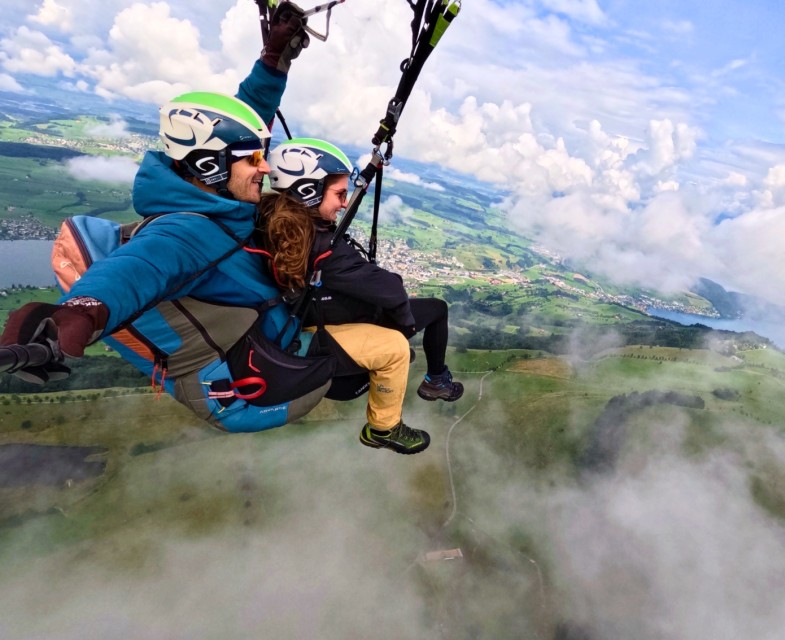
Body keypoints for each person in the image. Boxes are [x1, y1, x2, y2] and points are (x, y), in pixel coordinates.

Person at [0, 5, 426, 452]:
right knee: (392, 346)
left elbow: (246, 124)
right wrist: (83, 311)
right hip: (260, 373)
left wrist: (272, 60)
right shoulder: (188, 231)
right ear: (210, 165)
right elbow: (138, 267)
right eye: (255, 160)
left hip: (272, 319)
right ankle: (385, 427)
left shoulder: (219, 196)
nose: (266, 168)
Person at [257, 138, 464, 450]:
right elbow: (391, 289)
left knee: (435, 308)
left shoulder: (275, 224)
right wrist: (404, 324)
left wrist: (370, 169)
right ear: (308, 193)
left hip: (323, 317)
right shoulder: (324, 250)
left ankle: (436, 380)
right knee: (399, 347)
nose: (344, 203)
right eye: (339, 194)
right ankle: (384, 428)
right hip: (325, 342)